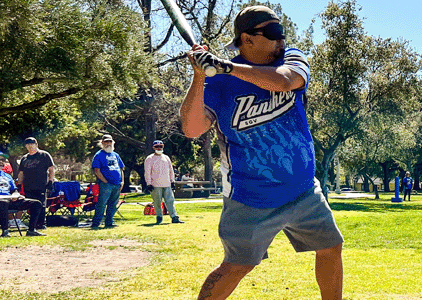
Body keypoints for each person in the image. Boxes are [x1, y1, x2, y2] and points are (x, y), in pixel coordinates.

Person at [182, 6, 343, 299]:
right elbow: (192, 129)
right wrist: (198, 76)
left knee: (331, 247)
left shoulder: (291, 58)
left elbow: (285, 81)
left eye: (281, 32)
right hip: (250, 196)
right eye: (272, 33)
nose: (281, 40)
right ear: (248, 38)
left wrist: (224, 66)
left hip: (303, 190)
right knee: (236, 266)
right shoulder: (217, 83)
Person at [17, 137, 56, 229]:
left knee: (41, 204)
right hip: (28, 186)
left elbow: (51, 169)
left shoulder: (44, 155)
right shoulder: (24, 158)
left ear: (36, 145)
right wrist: (19, 184)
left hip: (41, 185)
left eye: (32, 144)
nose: (30, 146)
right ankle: (33, 224)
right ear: (26, 146)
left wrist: (51, 181)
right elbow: (21, 173)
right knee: (31, 205)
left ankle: (41, 224)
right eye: (28, 144)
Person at [144, 140, 183, 224]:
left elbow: (171, 170)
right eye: (157, 146)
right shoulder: (149, 158)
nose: (159, 148)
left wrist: (172, 181)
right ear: (153, 147)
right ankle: (159, 217)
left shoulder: (166, 157)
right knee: (157, 202)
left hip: (167, 183)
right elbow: (147, 172)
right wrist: (149, 183)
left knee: (170, 201)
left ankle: (174, 217)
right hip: (155, 185)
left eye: (161, 146)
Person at [90, 134, 124, 229]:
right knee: (102, 203)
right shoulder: (99, 155)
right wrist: (105, 181)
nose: (108, 144)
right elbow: (96, 170)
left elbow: (121, 169)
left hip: (117, 184)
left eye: (110, 142)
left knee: (113, 204)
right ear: (102, 143)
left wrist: (122, 182)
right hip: (106, 184)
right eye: (106, 142)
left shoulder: (115, 155)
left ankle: (109, 222)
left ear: (113, 143)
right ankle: (96, 223)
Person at [0, 171, 45, 237]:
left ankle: (31, 230)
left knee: (36, 203)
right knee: (3, 203)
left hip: (10, 199)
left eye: (1, 165)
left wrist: (16, 195)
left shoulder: (7, 176)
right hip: (2, 201)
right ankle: (5, 231)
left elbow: (14, 190)